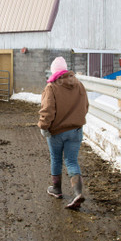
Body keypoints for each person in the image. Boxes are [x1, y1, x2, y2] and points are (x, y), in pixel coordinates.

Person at [37, 56, 89, 210]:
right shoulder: (79, 85)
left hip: (57, 132)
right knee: (72, 161)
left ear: (54, 71)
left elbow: (47, 110)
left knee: (56, 159)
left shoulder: (51, 87)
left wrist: (43, 126)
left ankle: (57, 189)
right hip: (76, 130)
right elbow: (85, 106)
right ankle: (78, 192)